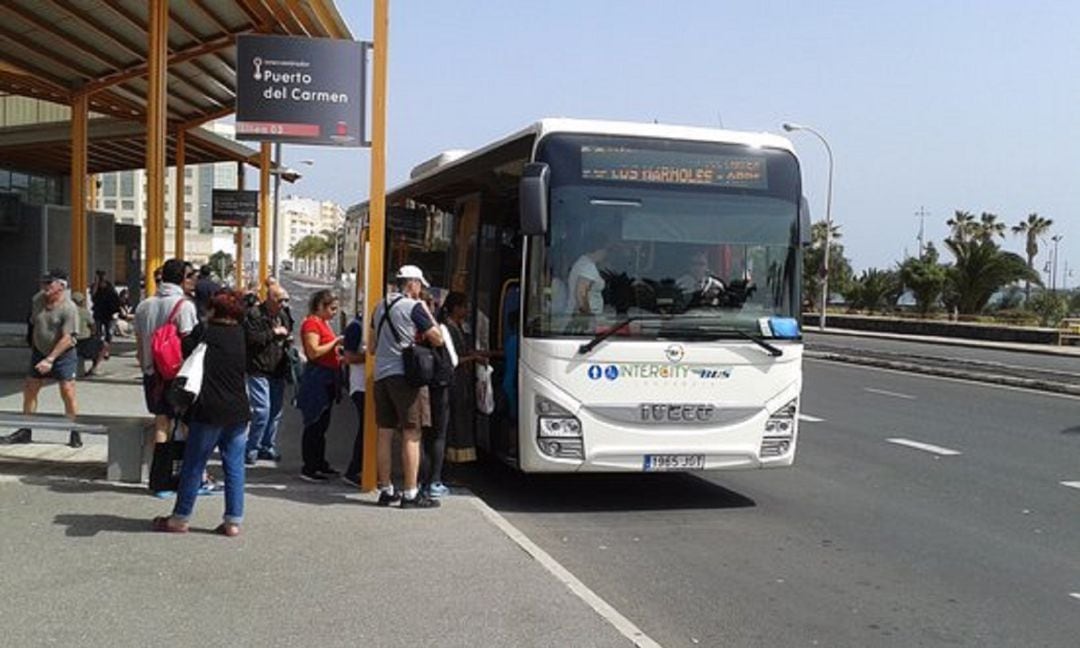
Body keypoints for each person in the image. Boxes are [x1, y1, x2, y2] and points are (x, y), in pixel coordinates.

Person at [152, 290, 250, 536]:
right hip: (238, 409)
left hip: (209, 409)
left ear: (216, 311)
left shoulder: (205, 332)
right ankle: (233, 522)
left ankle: (180, 518)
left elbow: (184, 352)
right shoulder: (242, 334)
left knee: (194, 464)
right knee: (235, 465)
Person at [372, 265, 444, 509]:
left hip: (381, 377)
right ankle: (411, 493)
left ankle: (386, 489)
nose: (421, 289)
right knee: (412, 434)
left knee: (384, 432)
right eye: (420, 285)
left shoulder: (379, 306)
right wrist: (427, 312)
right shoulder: (413, 307)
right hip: (405, 378)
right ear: (411, 283)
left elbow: (371, 346)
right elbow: (438, 338)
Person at [134, 259, 198, 495]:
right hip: (179, 374)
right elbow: (189, 343)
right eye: (190, 275)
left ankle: (159, 479)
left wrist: (147, 367)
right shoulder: (185, 306)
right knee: (188, 425)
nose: (193, 279)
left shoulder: (144, 305)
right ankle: (191, 478)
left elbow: (140, 344)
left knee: (161, 424)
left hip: (153, 375)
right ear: (182, 278)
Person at [0, 270, 81, 448]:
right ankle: (26, 429)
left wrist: (51, 359)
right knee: (30, 387)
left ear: (61, 286)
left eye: (49, 283)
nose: (44, 286)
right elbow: (33, 322)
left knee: (67, 390)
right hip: (39, 351)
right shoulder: (37, 300)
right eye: (43, 283)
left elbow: (68, 338)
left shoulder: (69, 308)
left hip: (62, 355)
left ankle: (75, 430)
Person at [242, 283, 293, 466]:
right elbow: (251, 340)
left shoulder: (283, 314)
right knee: (262, 410)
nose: (283, 304)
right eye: (280, 300)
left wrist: (287, 337)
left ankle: (266, 445)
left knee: (275, 412)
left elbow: (289, 329)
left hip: (277, 368)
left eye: (286, 300)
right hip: (258, 368)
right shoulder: (254, 315)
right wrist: (273, 333)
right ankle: (251, 448)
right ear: (270, 298)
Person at [296, 289, 343, 482]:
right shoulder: (311, 324)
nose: (334, 313)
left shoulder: (323, 323)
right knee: (314, 423)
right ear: (320, 307)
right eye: (331, 308)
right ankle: (310, 466)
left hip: (328, 376)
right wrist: (335, 342)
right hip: (318, 377)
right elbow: (313, 352)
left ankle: (319, 461)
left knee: (322, 423)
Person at [421, 293, 456, 498]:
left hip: (416, 385)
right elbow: (454, 359)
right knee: (438, 435)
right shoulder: (439, 330)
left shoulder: (409, 330)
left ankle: (419, 479)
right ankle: (434, 481)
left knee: (418, 435)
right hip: (439, 386)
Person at [442, 292, 481, 464]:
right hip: (454, 379)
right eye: (464, 306)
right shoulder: (448, 328)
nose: (466, 310)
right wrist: (473, 358)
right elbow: (454, 358)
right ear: (456, 308)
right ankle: (451, 456)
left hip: (462, 379)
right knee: (455, 417)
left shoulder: (460, 326)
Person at [341, 306, 366, 488]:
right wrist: (370, 357)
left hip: (366, 386)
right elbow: (348, 357)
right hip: (360, 386)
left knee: (367, 429)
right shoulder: (356, 327)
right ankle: (354, 470)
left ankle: (359, 468)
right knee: (365, 429)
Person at [567, 231, 614, 316]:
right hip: (585, 321)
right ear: (600, 249)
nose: (606, 254)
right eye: (607, 250)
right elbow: (581, 294)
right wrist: (588, 317)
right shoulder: (588, 267)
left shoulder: (583, 263)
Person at [70, 292, 106, 377]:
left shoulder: (67, 311)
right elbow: (93, 326)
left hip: (71, 341)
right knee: (103, 346)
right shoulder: (84, 312)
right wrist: (94, 334)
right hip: (85, 341)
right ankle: (94, 367)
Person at [90, 270, 119, 357]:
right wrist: (96, 284)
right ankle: (99, 350)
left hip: (108, 313)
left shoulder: (109, 286)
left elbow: (114, 297)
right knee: (98, 333)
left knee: (108, 333)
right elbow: (93, 296)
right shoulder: (94, 286)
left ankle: (106, 350)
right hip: (98, 313)